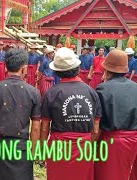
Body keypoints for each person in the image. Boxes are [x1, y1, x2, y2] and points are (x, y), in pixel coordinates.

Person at [41, 47, 102, 180]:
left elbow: (44, 126)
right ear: (77, 68)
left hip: (59, 147)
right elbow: (96, 128)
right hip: (84, 147)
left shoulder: (51, 93)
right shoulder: (91, 92)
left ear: (57, 71)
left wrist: (43, 148)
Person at [0, 48, 41, 180]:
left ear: (6, 67)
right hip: (21, 147)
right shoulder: (33, 92)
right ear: (24, 68)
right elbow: (36, 127)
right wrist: (34, 150)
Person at [95, 49, 137, 180]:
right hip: (132, 141)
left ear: (106, 69)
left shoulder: (103, 89)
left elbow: (98, 123)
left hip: (110, 140)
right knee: (123, 174)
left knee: (104, 175)